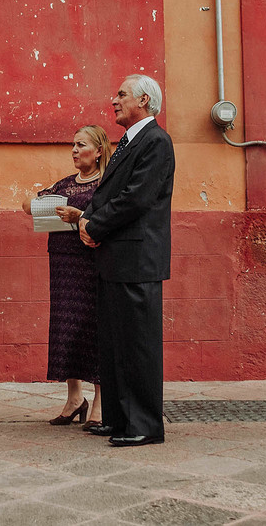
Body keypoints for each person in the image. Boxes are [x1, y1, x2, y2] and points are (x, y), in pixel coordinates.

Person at [78, 74, 174, 447]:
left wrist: (95, 225)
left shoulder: (156, 142)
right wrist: (87, 221)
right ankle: (118, 419)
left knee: (138, 345)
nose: (113, 99)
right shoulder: (129, 142)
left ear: (144, 101)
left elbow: (137, 198)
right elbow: (109, 193)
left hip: (138, 258)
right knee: (115, 343)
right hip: (116, 257)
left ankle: (145, 425)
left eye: (121, 94)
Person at [23, 125, 113, 429]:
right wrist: (42, 204)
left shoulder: (107, 183)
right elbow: (28, 206)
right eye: (73, 145)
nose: (74, 150)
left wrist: (80, 216)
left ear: (99, 151)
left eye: (81, 145)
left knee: (95, 327)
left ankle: (101, 402)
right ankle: (75, 399)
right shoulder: (63, 184)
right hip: (63, 264)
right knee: (67, 328)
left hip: (92, 263)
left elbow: (110, 216)